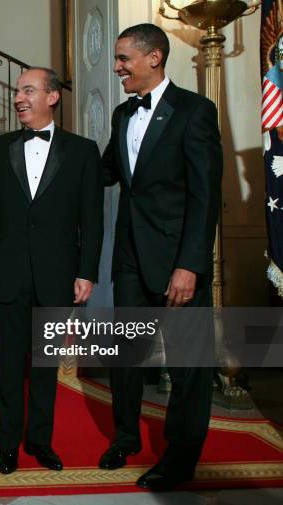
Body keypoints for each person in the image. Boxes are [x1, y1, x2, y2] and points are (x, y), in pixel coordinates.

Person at [99, 24, 222, 491]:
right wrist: (54, 164)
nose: (117, 68)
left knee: (189, 365)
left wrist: (190, 265)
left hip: (177, 263)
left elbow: (205, 197)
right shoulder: (121, 113)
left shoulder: (195, 112)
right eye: (116, 58)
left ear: (154, 57)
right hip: (129, 256)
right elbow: (107, 171)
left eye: (124, 58)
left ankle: (180, 458)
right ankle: (126, 437)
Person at [0, 67, 104, 474]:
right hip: (6, 272)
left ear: (52, 97)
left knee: (46, 368)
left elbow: (92, 220)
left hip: (57, 275)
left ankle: (40, 441)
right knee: (7, 365)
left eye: (28, 90)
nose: (18, 98)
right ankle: (8, 444)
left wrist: (86, 272)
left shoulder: (83, 151)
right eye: (17, 91)